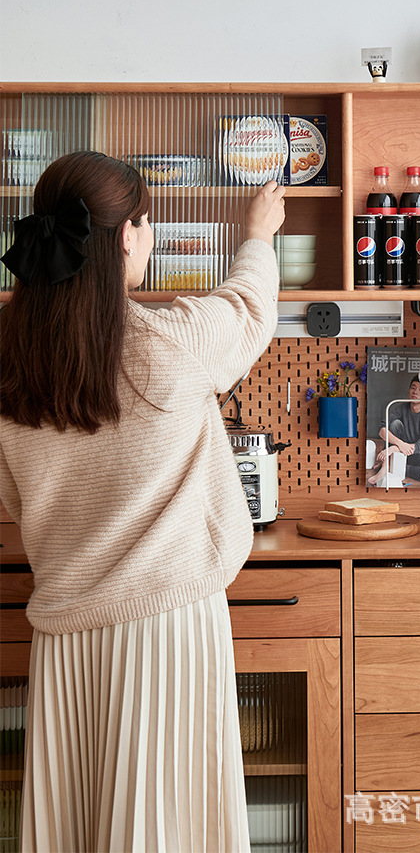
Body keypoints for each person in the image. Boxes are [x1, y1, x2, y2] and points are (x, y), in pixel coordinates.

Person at [0, 150, 286, 853]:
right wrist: (257, 235)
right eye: (149, 225)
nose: (151, 239)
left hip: (64, 637)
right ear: (127, 237)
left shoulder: (10, 362)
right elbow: (249, 310)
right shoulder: (173, 342)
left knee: (75, 823)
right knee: (167, 827)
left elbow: (11, 497)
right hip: (167, 629)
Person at [368, 375, 420, 485]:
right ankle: (387, 464)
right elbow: (381, 430)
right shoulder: (400, 408)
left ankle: (391, 466)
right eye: (413, 387)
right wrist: (400, 444)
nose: (415, 392)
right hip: (400, 452)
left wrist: (393, 449)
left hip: (419, 454)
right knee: (395, 424)